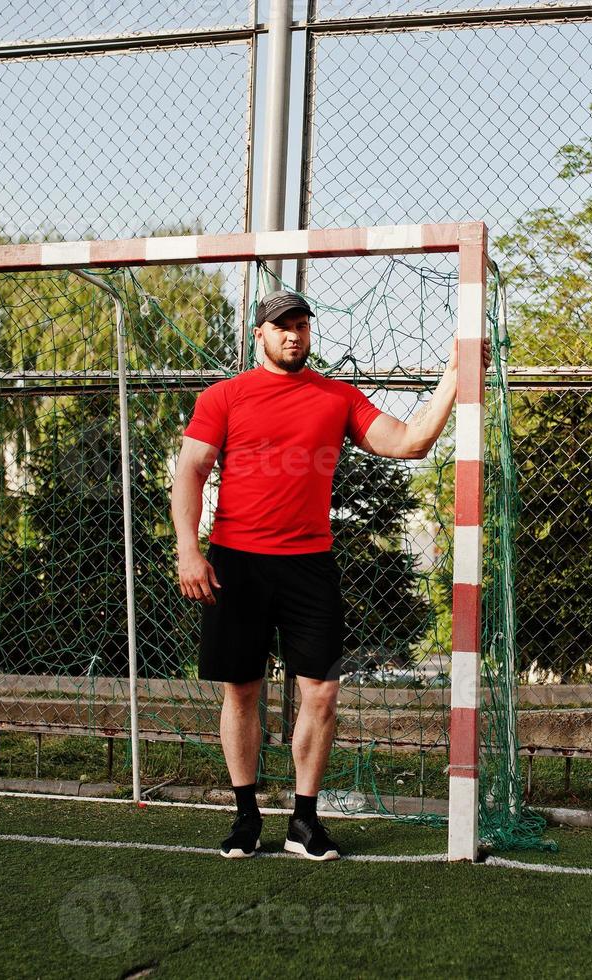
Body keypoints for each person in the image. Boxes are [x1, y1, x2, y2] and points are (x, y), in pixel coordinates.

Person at [170, 289, 489, 860]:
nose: (294, 334)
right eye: (281, 326)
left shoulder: (336, 397)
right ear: (260, 336)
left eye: (301, 325)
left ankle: (304, 822)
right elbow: (190, 470)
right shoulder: (224, 397)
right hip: (235, 561)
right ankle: (246, 819)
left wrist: (454, 375)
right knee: (241, 689)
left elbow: (411, 443)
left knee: (322, 691)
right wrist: (187, 551)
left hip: (309, 566)